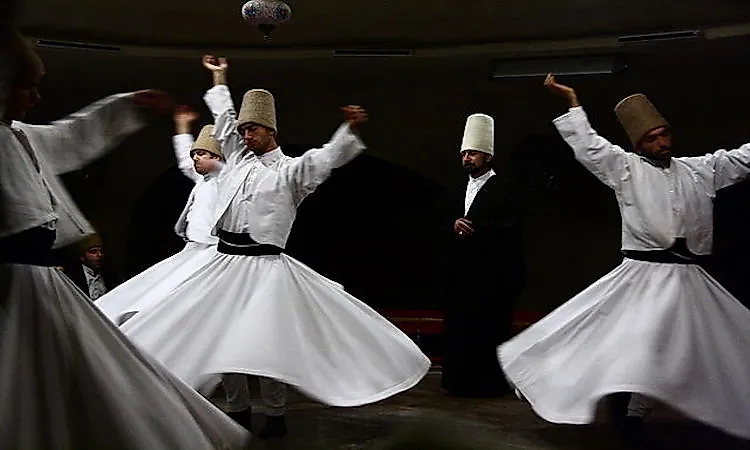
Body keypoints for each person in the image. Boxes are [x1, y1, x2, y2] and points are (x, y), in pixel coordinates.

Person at [116, 54, 431, 439]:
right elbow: (225, 118)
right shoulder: (234, 161)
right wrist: (219, 76)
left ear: (270, 131)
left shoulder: (291, 172)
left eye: (253, 130)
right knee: (224, 338)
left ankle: (276, 414)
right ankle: (237, 409)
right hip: (225, 261)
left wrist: (346, 129)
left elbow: (326, 159)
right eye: (243, 130)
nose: (245, 136)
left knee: (267, 342)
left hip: (264, 265)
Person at [0, 30, 249, 449]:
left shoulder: (20, 135)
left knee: (90, 380)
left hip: (39, 285)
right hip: (11, 287)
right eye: (25, 88)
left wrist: (125, 107)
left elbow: (68, 138)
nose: (35, 100)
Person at [498, 73, 750, 445]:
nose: (661, 142)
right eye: (651, 138)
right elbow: (590, 147)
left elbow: (742, 159)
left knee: (720, 338)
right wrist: (572, 103)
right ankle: (622, 407)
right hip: (643, 274)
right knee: (634, 342)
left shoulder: (699, 170)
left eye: (663, 134)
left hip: (688, 276)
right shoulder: (627, 168)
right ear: (639, 143)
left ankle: (641, 407)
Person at [97, 105, 223, 325]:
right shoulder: (203, 180)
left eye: (202, 154)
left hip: (212, 250)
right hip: (194, 247)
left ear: (216, 158)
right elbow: (185, 162)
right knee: (161, 283)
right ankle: (133, 314)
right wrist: (182, 127)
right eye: (195, 154)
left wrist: (220, 165)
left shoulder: (225, 180)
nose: (196, 159)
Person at [436, 113, 525, 398]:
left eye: (472, 153)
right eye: (464, 153)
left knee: (488, 330)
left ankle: (488, 384)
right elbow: (437, 221)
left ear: (487, 156)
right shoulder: (454, 190)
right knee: (459, 330)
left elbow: (512, 227)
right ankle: (457, 382)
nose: (467, 158)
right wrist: (453, 225)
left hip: (491, 275)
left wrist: (478, 229)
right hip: (460, 275)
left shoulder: (506, 189)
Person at [63, 233, 121, 300]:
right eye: (93, 251)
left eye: (101, 251)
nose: (99, 255)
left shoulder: (110, 274)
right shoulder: (73, 276)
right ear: (82, 257)